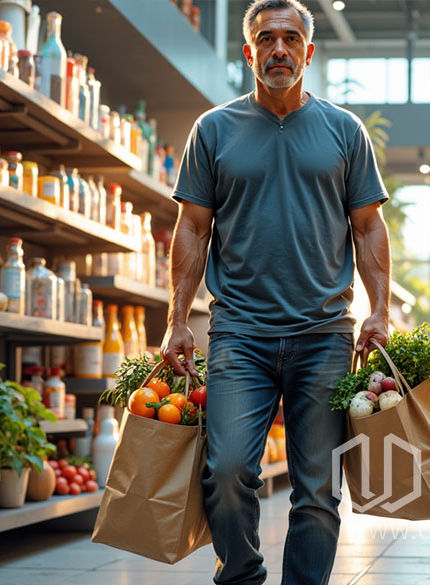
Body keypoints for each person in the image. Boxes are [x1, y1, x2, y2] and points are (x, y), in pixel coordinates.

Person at [159, 1, 391, 582]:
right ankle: (241, 575)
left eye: (291, 39)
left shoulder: (344, 131)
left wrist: (380, 311)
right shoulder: (213, 130)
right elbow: (192, 226)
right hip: (240, 332)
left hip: (325, 337)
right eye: (267, 39)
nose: (279, 50)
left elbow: (368, 227)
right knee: (229, 469)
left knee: (317, 490)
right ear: (249, 51)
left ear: (309, 52)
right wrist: (176, 319)